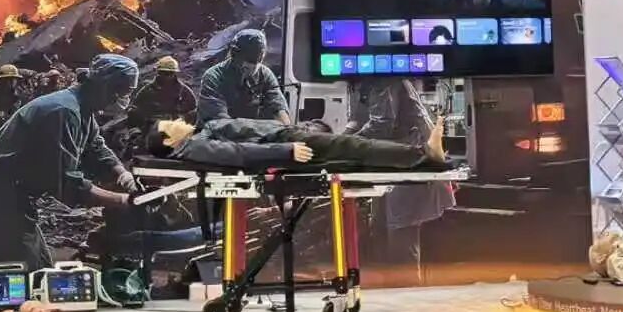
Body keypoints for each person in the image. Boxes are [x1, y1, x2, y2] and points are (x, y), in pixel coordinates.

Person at [0, 54, 142, 272]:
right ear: (106, 87)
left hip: (8, 197)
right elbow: (65, 183)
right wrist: (122, 200)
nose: (122, 100)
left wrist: (123, 175)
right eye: (123, 93)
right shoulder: (63, 112)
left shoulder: (81, 109)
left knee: (32, 268)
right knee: (10, 271)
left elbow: (96, 147)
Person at [352, 79, 454, 282]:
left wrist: (345, 142)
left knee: (401, 237)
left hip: (408, 163)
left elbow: (381, 123)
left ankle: (407, 290)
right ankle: (395, 287)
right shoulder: (378, 82)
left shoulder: (383, 81)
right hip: (398, 163)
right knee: (384, 231)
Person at [150, 113, 448, 170]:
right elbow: (238, 153)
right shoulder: (194, 146)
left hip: (285, 136)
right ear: (170, 141)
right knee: (352, 147)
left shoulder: (199, 136)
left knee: (350, 148)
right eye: (172, 124)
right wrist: (287, 150)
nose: (178, 120)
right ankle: (423, 154)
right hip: (286, 143)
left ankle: (423, 155)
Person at [197, 29, 288, 124]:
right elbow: (219, 122)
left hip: (250, 131)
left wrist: (286, 129)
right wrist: (260, 129)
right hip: (218, 131)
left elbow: (278, 106)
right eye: (240, 58)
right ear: (232, 55)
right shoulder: (214, 77)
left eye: (251, 60)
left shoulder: (264, 75)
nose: (244, 64)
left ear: (261, 58)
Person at [129, 56, 197, 137]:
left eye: (169, 73)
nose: (166, 76)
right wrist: (135, 131)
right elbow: (135, 111)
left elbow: (194, 111)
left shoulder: (184, 91)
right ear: (158, 72)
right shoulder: (147, 91)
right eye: (163, 73)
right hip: (152, 130)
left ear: (174, 73)